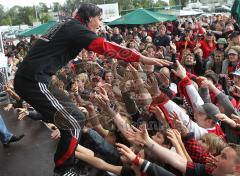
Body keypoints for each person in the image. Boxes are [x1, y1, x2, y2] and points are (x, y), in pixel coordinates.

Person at [13, 3, 171, 176]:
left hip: (37, 79)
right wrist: (140, 58)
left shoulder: (69, 24)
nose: (100, 24)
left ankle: (67, 164)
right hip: (33, 80)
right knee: (72, 123)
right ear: (89, 18)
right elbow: (105, 47)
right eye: (99, 19)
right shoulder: (76, 28)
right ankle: (64, 169)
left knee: (79, 117)